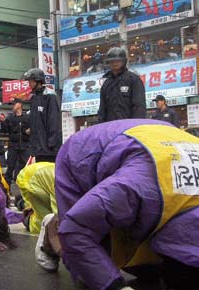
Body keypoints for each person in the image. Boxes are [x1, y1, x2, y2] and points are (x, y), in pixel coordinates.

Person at [53, 119, 199, 290]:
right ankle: (51, 236)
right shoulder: (134, 188)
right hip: (81, 155)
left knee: (147, 270)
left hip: (154, 138)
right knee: (89, 268)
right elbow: (75, 230)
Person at [98, 47, 146, 122]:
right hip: (111, 128)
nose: (114, 63)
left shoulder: (133, 80)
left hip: (129, 127)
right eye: (112, 61)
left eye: (118, 61)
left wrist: (137, 125)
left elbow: (139, 106)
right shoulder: (106, 84)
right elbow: (102, 110)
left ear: (124, 61)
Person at [23, 68, 62, 163]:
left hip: (49, 150)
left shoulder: (50, 96)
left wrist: (51, 144)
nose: (29, 84)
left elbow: (54, 121)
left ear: (38, 80)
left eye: (30, 81)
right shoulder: (34, 97)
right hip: (38, 149)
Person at [0, 98, 30, 184]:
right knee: (10, 167)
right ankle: (7, 189)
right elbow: (5, 131)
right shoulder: (9, 118)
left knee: (26, 166)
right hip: (13, 146)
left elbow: (35, 129)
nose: (12, 106)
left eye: (14, 104)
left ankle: (23, 186)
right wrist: (2, 122)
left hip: (25, 146)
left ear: (19, 105)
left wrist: (30, 131)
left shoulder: (27, 118)